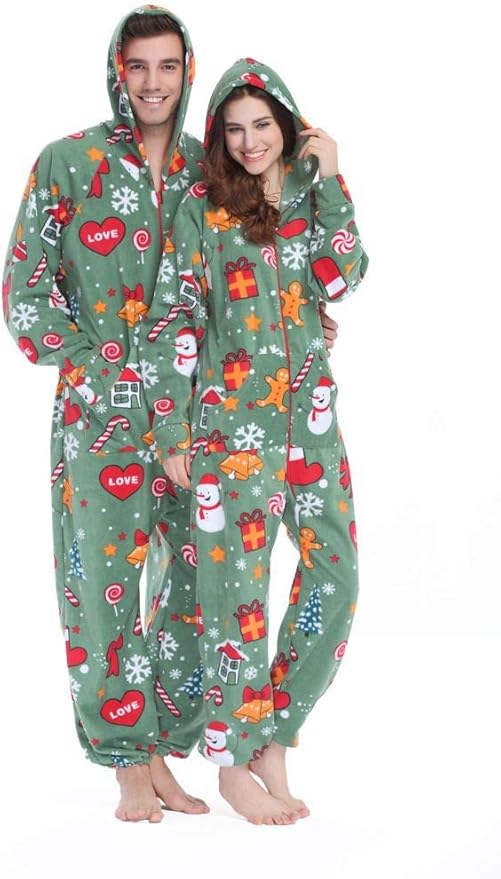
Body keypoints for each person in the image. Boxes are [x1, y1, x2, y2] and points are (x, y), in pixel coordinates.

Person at [1, 9, 338, 823]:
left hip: (203, 419)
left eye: (167, 66)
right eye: (138, 66)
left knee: (195, 590)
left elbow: (256, 266)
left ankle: (169, 738)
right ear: (116, 70)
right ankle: (129, 757)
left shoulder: (210, 165)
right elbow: (24, 294)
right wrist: (100, 369)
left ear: (188, 70)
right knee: (104, 592)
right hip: (104, 419)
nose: (152, 83)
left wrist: (296, 316)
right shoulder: (68, 162)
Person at [138, 58, 368, 826]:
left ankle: (270, 731)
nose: (248, 141)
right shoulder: (203, 211)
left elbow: (341, 278)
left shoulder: (308, 192)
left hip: (311, 424)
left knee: (335, 579)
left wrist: (331, 177)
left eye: (261, 124)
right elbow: (172, 323)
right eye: (233, 129)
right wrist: (172, 429)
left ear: (287, 123)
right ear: (218, 137)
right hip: (229, 429)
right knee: (233, 598)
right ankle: (233, 762)